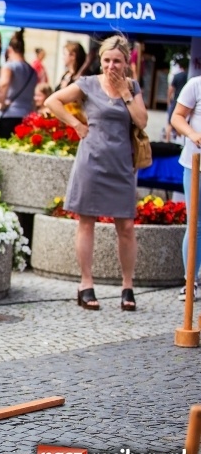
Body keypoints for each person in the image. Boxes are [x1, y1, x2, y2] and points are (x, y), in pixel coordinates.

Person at [44, 34, 148, 311]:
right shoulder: (88, 84)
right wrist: (76, 124)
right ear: (100, 61)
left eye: (117, 61)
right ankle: (85, 283)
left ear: (126, 62)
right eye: (106, 60)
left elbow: (142, 120)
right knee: (86, 221)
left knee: (125, 227)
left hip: (122, 164)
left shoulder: (133, 87)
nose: (111, 66)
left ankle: (128, 286)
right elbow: (52, 101)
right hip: (91, 161)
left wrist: (125, 94)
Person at [170, 76, 201, 301]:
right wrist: (193, 135)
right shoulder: (196, 84)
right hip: (195, 164)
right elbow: (177, 116)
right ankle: (191, 281)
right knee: (196, 224)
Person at [0, 31, 36, 140]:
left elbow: (3, 86)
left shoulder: (9, 66)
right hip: (26, 116)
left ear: (9, 50)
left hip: (9, 115)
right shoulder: (32, 71)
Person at [166, 56, 188, 143]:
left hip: (176, 100)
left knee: (170, 122)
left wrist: (168, 100)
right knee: (181, 121)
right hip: (185, 102)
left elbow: (171, 89)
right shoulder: (188, 77)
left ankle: (167, 141)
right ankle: (178, 142)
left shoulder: (176, 76)